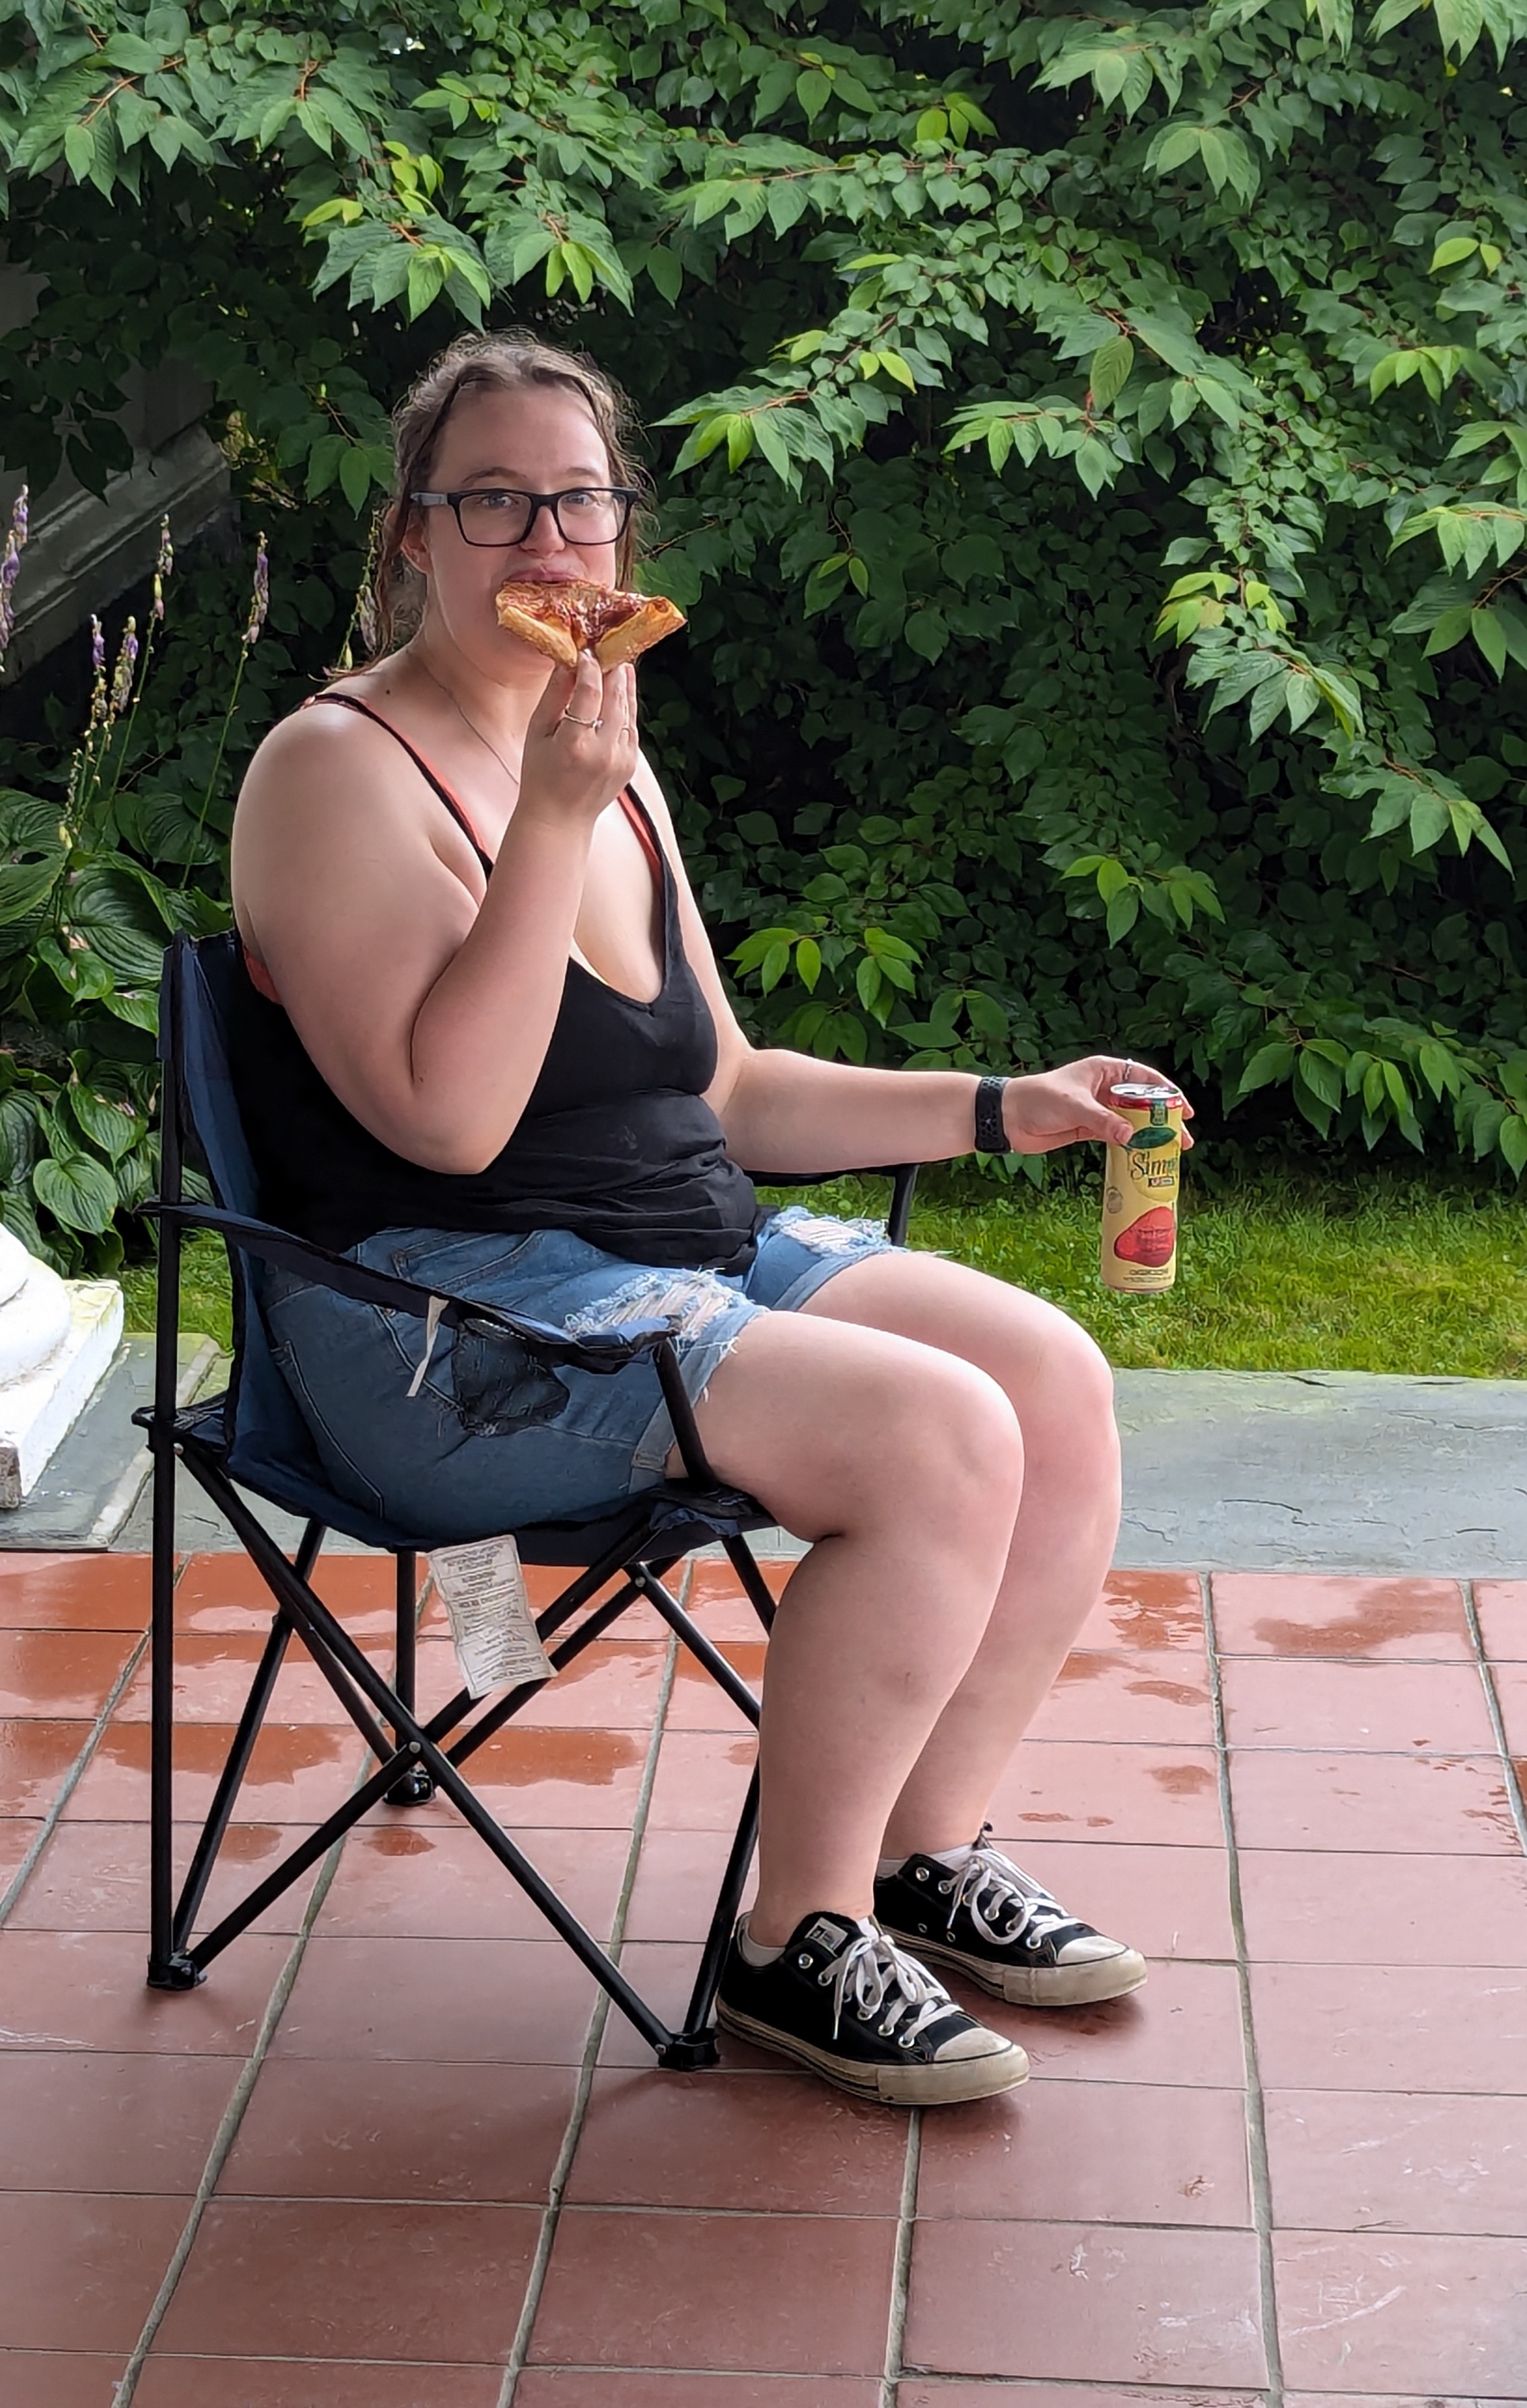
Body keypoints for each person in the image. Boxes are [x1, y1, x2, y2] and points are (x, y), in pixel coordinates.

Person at [229, 329, 1192, 2109]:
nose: (544, 545)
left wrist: (1003, 1106)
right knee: (938, 1436)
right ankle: (790, 1945)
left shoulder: (604, 758)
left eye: (577, 503)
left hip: (674, 1258)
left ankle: (918, 1853)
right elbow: (444, 1122)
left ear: (623, 537)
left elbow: (730, 1098)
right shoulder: (336, 773)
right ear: (412, 536)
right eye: (495, 500)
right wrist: (551, 819)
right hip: (438, 1331)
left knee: (1046, 1384)